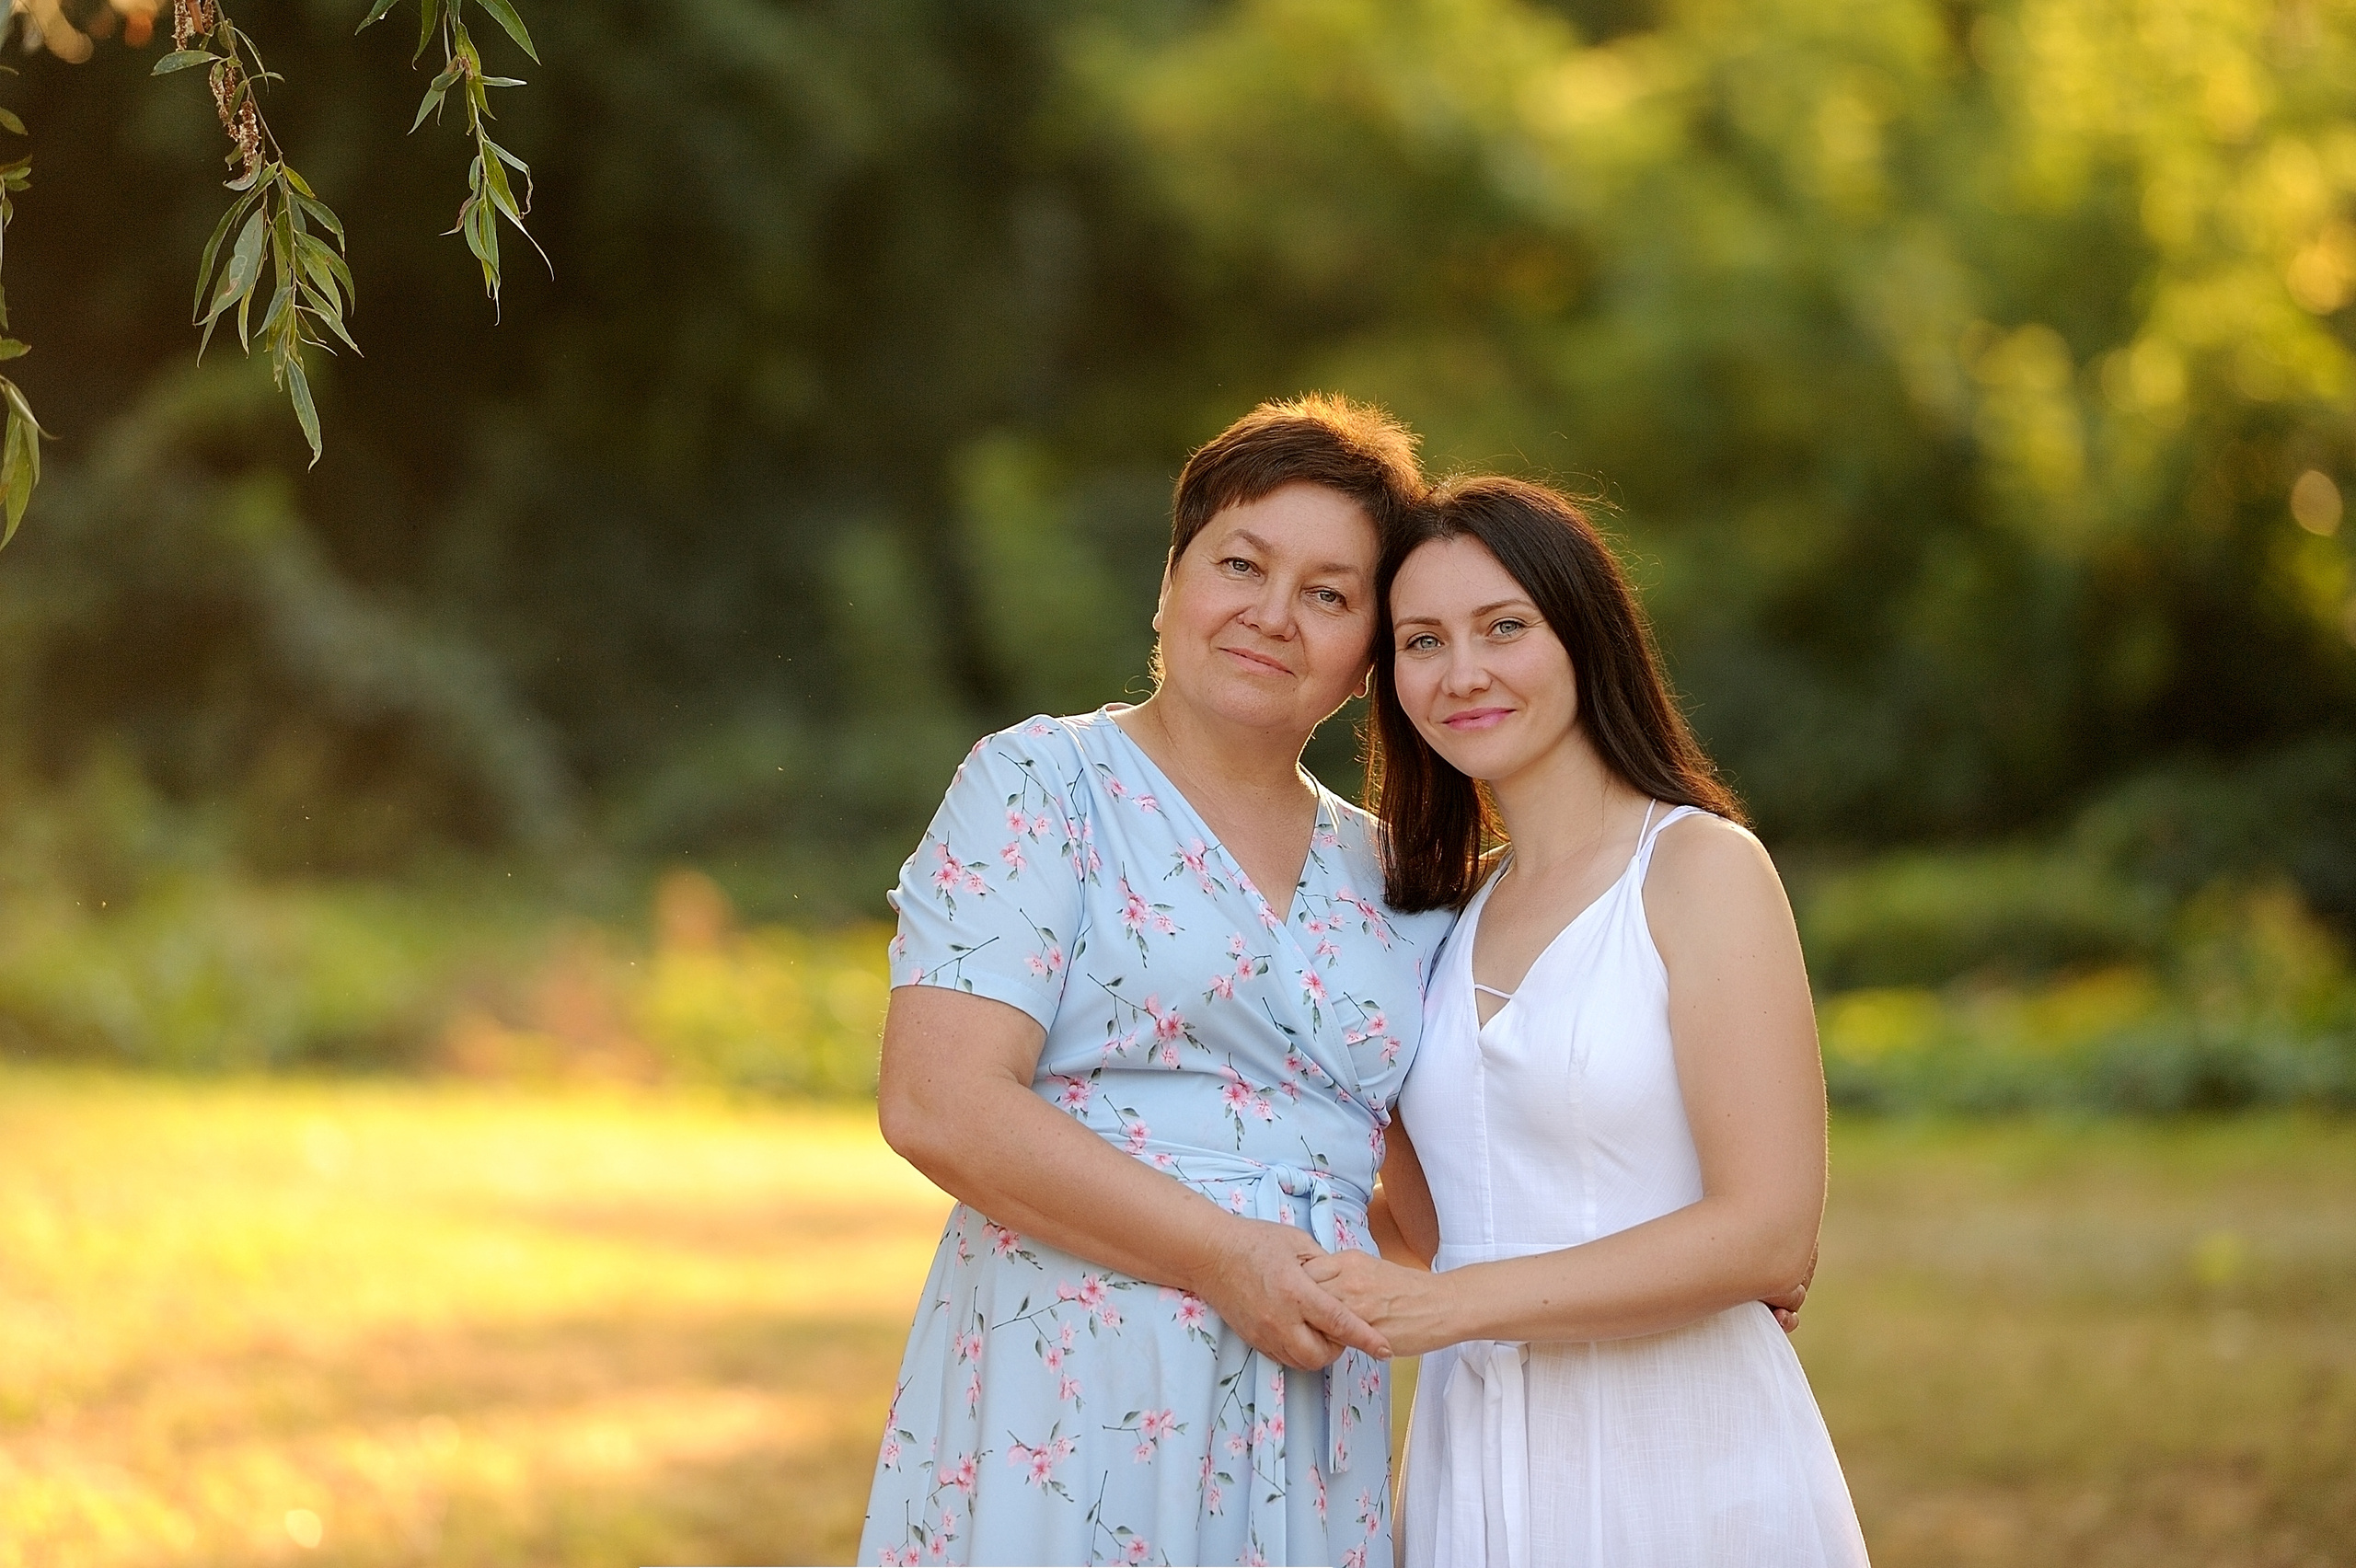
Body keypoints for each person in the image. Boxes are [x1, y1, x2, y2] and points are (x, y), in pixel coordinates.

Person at [859, 395, 1457, 1567]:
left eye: (1329, 595)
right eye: (1242, 563)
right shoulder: (1040, 783)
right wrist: (1221, 1256)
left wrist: (1680, 1247)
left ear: (1366, 659)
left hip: (1306, 1402)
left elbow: (1442, 1195)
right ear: (1172, 581)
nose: (1273, 616)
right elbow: (939, 1103)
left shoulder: (1400, 875)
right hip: (1073, 1375)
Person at [1312, 474, 1870, 1566]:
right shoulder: (1437, 919)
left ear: (1584, 636)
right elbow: (1426, 1224)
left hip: (1679, 1452)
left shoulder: (1699, 868)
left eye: (1503, 627)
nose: (1462, 672)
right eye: (1421, 641)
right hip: (1473, 1458)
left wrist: (1457, 1306)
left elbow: (1766, 1231)